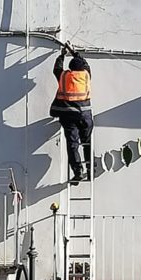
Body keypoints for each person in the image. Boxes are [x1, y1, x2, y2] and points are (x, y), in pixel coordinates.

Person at [50, 45, 93, 185]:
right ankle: (90, 170)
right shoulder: (86, 75)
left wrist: (62, 55)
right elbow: (85, 63)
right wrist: (75, 52)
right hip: (85, 115)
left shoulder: (64, 76)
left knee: (73, 144)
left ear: (71, 68)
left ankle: (78, 172)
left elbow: (56, 69)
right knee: (87, 142)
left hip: (68, 116)